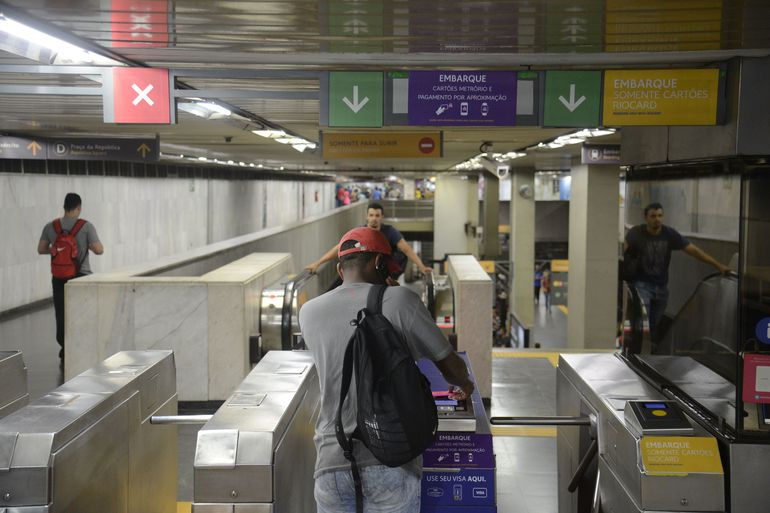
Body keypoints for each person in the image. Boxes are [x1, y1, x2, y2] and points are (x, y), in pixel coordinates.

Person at [299, 227, 475, 513]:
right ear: (381, 264)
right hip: (390, 460)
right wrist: (464, 385)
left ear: (340, 268)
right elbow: (449, 365)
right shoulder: (401, 301)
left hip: (331, 462)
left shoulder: (309, 312)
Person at [624, 202, 730, 342]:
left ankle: (647, 352)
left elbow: (694, 251)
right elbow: (622, 251)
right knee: (643, 323)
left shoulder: (668, 234)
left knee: (654, 324)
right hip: (642, 285)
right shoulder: (636, 233)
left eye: (660, 215)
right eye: (653, 216)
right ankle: (639, 352)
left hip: (661, 288)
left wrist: (718, 265)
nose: (657, 219)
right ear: (646, 218)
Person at [37, 193, 103, 365]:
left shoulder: (51, 226)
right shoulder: (86, 226)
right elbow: (99, 249)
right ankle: (82, 347)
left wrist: (55, 250)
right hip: (82, 276)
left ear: (64, 206)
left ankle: (65, 347)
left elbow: (41, 249)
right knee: (83, 313)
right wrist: (88, 246)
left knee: (61, 312)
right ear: (79, 207)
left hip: (58, 277)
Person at [305, 202, 432, 279]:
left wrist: (421, 267)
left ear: (382, 216)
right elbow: (340, 247)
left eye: (377, 215)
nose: (374, 219)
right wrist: (318, 263)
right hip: (366, 273)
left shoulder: (389, 231)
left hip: (385, 273)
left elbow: (406, 249)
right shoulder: (360, 233)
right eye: (371, 215)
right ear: (367, 216)